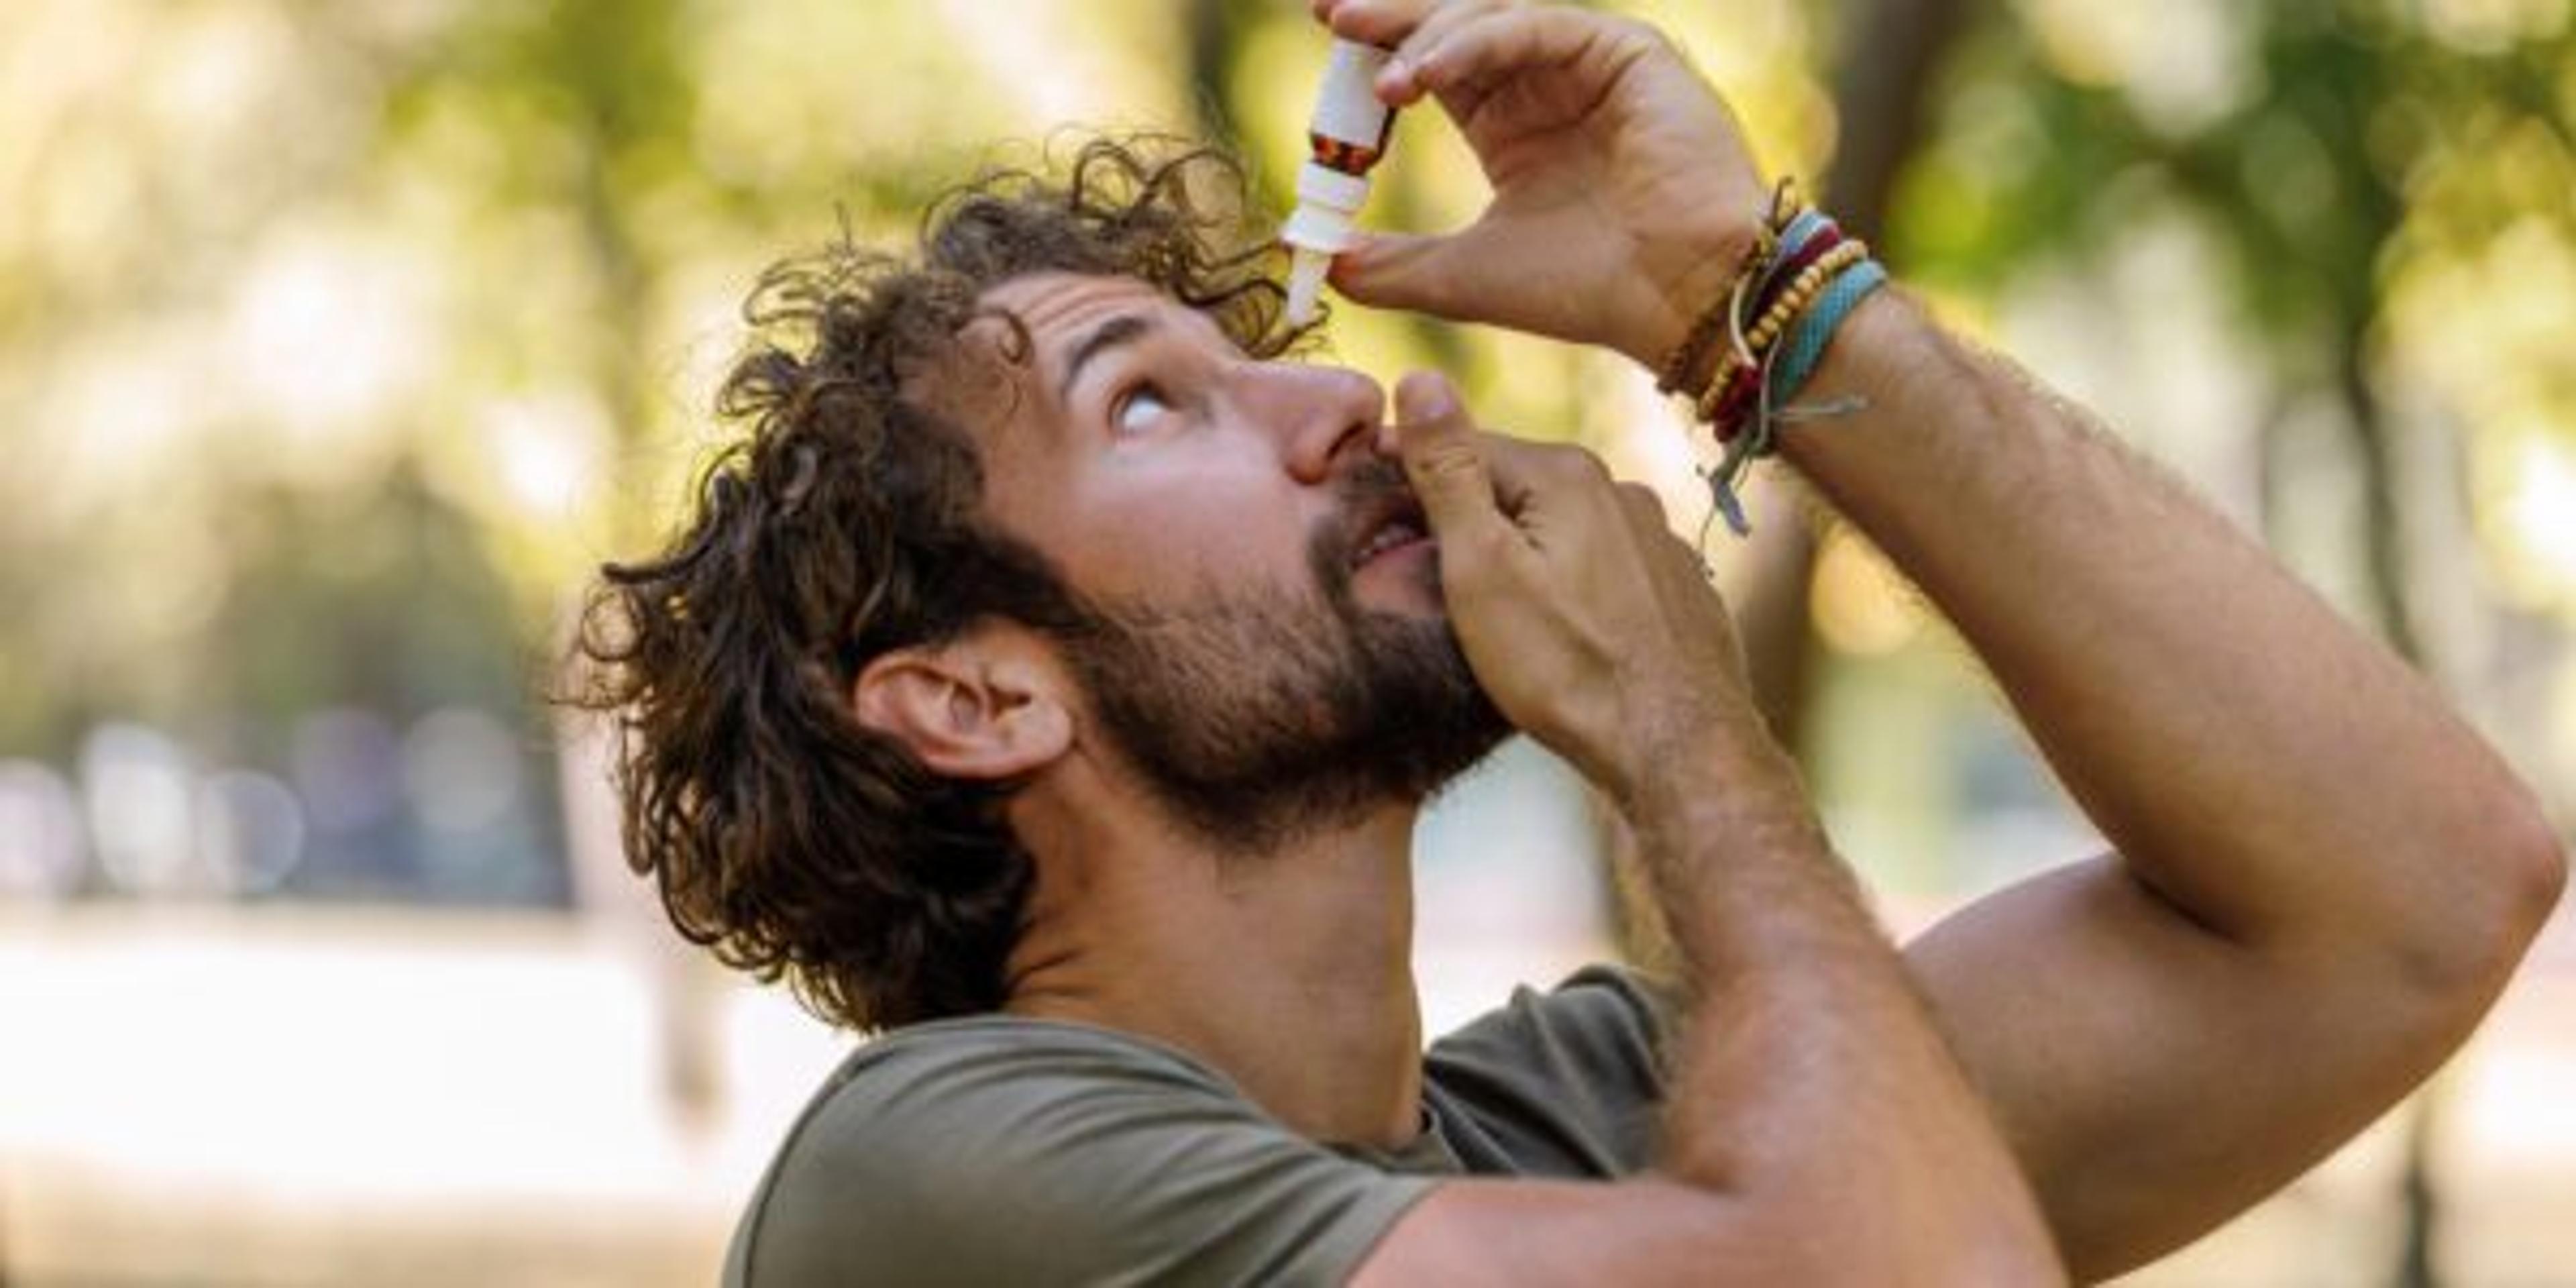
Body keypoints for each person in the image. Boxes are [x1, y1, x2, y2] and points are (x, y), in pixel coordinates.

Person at [568, 1, 2567, 1283]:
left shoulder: (1603, 1119)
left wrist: (1746, 297)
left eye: (1254, 358)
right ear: (978, 694)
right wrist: (1683, 734)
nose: (1342, 406)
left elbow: (2411, 887)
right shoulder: (954, 1178)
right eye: (1149, 402)